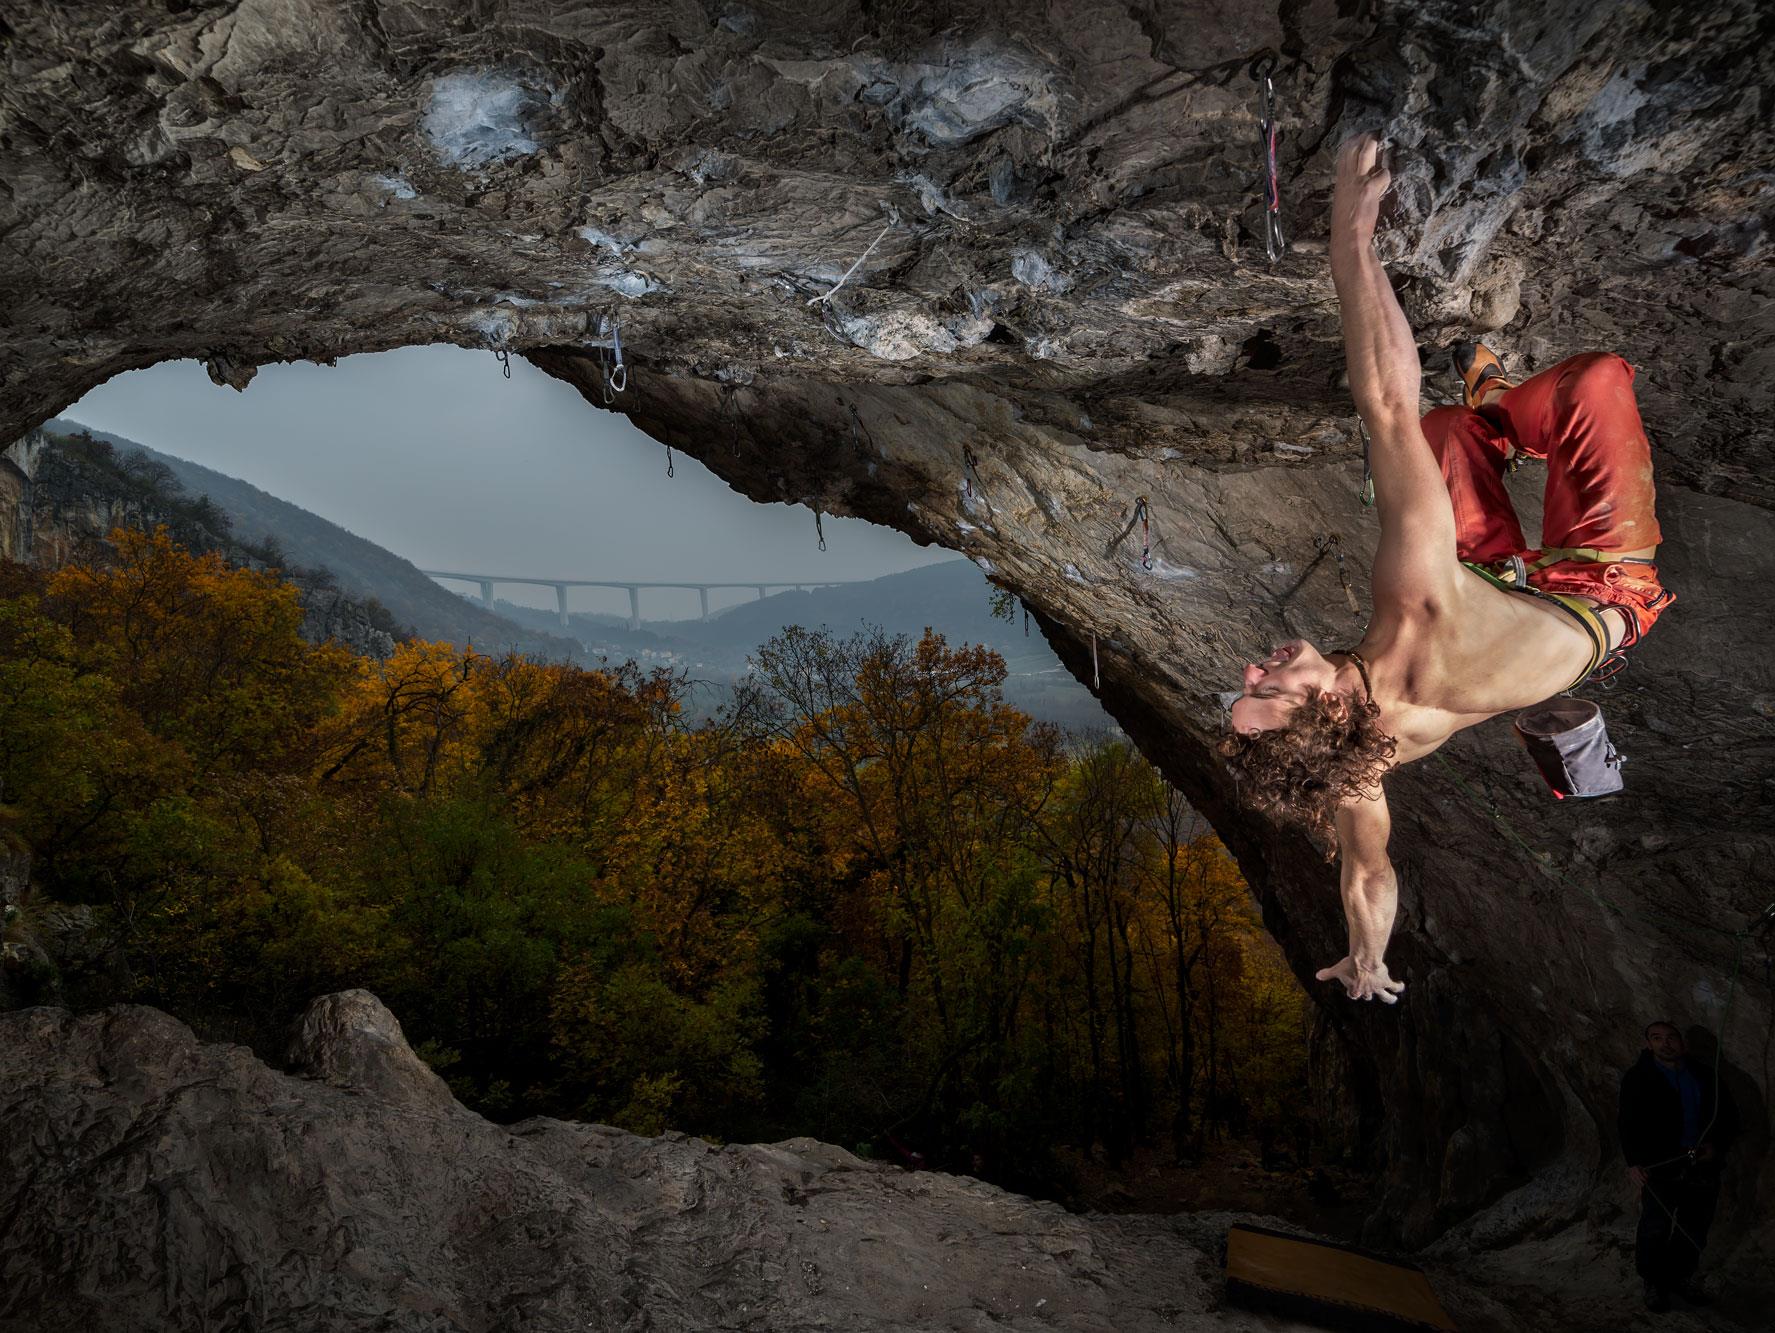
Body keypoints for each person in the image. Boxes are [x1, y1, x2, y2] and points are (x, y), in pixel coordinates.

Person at [1219, 133, 1675, 1003]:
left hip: (1494, 588)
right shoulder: (1409, 609)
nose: (1251, 668)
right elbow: (1380, 401)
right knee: (1589, 386)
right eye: (1265, 689)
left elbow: (1365, 874)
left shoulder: (1358, 765)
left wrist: (1368, 953)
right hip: (1600, 588)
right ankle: (1502, 404)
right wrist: (1350, 241)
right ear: (1326, 708)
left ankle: (1483, 420)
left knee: (1440, 443)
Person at [1618, 1021, 1738, 1311]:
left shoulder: (1704, 1075)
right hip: (1661, 1165)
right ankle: (1653, 1282)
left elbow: (1726, 1115)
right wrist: (1634, 1163)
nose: (1665, 1043)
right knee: (1654, 1226)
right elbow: (1627, 1122)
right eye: (1657, 1038)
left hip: (1701, 1166)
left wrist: (1716, 1146)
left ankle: (1679, 1278)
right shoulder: (1638, 1077)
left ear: (1682, 1043)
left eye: (1671, 1037)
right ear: (1649, 1044)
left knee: (1694, 1227)